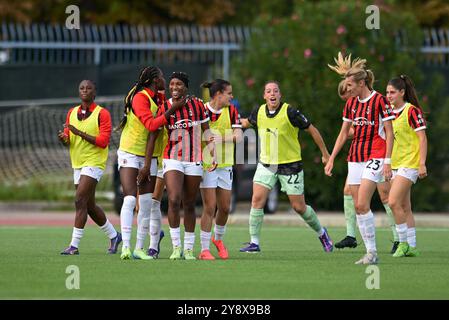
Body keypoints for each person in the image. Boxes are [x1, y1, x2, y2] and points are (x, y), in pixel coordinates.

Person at [239, 81, 333, 253]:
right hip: (267, 163)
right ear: (264, 96)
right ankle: (254, 243)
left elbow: (312, 129)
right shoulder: (259, 111)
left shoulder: (290, 112)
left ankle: (322, 233)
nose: (272, 94)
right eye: (268, 91)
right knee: (256, 200)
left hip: (290, 164)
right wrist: (231, 121)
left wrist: (325, 154)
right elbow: (246, 123)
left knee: (299, 207)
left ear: (280, 95)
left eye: (275, 91)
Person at [325, 53, 395, 265]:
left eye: (350, 85)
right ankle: (370, 253)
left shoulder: (380, 101)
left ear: (361, 83)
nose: (348, 89)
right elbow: (344, 132)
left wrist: (388, 161)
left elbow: (390, 133)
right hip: (355, 156)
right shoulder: (351, 104)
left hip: (376, 154)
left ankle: (373, 253)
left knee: (363, 202)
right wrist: (331, 158)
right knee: (358, 206)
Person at [117, 66, 184, 260]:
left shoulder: (158, 98)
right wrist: (173, 109)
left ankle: (139, 248)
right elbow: (151, 125)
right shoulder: (140, 97)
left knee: (145, 204)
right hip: (130, 152)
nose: (165, 80)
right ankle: (126, 247)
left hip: (151, 156)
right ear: (155, 80)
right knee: (130, 199)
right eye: (162, 77)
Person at [334, 79, 400, 252]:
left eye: (348, 91)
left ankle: (397, 238)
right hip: (359, 156)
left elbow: (378, 129)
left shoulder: (376, 101)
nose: (348, 98)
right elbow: (354, 129)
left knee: (385, 195)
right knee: (349, 192)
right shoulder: (353, 104)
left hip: (379, 152)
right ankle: (351, 235)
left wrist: (388, 159)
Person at [157, 72, 217, 260]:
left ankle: (189, 248)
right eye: (172, 84)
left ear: (186, 87)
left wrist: (212, 155)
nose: (174, 87)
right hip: (172, 158)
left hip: (194, 159)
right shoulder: (165, 107)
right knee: (174, 199)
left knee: (189, 203)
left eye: (179, 84)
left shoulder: (198, 105)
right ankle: (176, 247)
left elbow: (207, 131)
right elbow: (155, 130)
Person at [58, 80, 121, 255]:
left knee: (79, 200)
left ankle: (74, 246)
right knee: (89, 205)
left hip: (94, 162)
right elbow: (69, 139)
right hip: (77, 163)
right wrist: (64, 139)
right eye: (82, 88)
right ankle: (114, 236)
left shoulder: (102, 114)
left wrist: (78, 132)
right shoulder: (71, 112)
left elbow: (103, 142)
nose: (85, 90)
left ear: (95, 92)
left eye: (89, 88)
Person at [198, 79, 243, 260]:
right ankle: (204, 249)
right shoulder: (201, 110)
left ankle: (218, 240)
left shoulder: (231, 111)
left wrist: (218, 138)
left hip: (226, 165)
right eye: (229, 93)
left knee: (225, 208)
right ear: (218, 95)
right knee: (210, 207)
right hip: (207, 166)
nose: (232, 97)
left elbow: (238, 136)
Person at [386, 75, 427, 257]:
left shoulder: (411, 111)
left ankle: (402, 243)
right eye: (387, 92)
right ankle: (412, 246)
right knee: (405, 206)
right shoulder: (388, 111)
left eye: (392, 92)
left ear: (402, 92)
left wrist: (422, 163)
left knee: (393, 201)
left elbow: (422, 138)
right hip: (395, 163)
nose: (389, 96)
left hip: (409, 163)